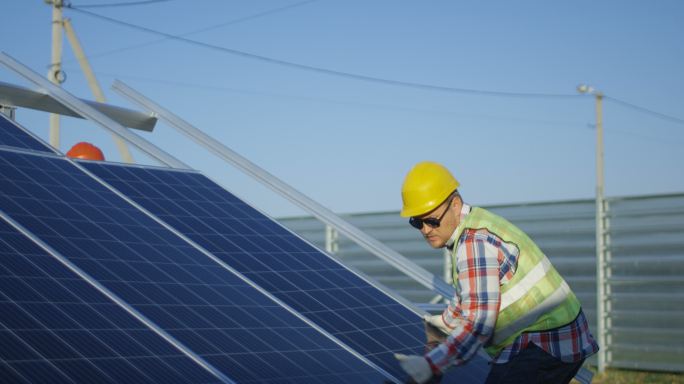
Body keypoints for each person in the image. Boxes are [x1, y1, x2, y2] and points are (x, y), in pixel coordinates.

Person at [394, 161, 598, 384]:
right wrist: (441, 326)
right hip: (556, 336)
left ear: (454, 204)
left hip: (546, 341)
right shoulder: (474, 224)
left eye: (432, 221)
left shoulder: (473, 242)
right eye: (417, 222)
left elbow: (478, 324)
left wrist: (431, 365)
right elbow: (470, 297)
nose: (425, 230)